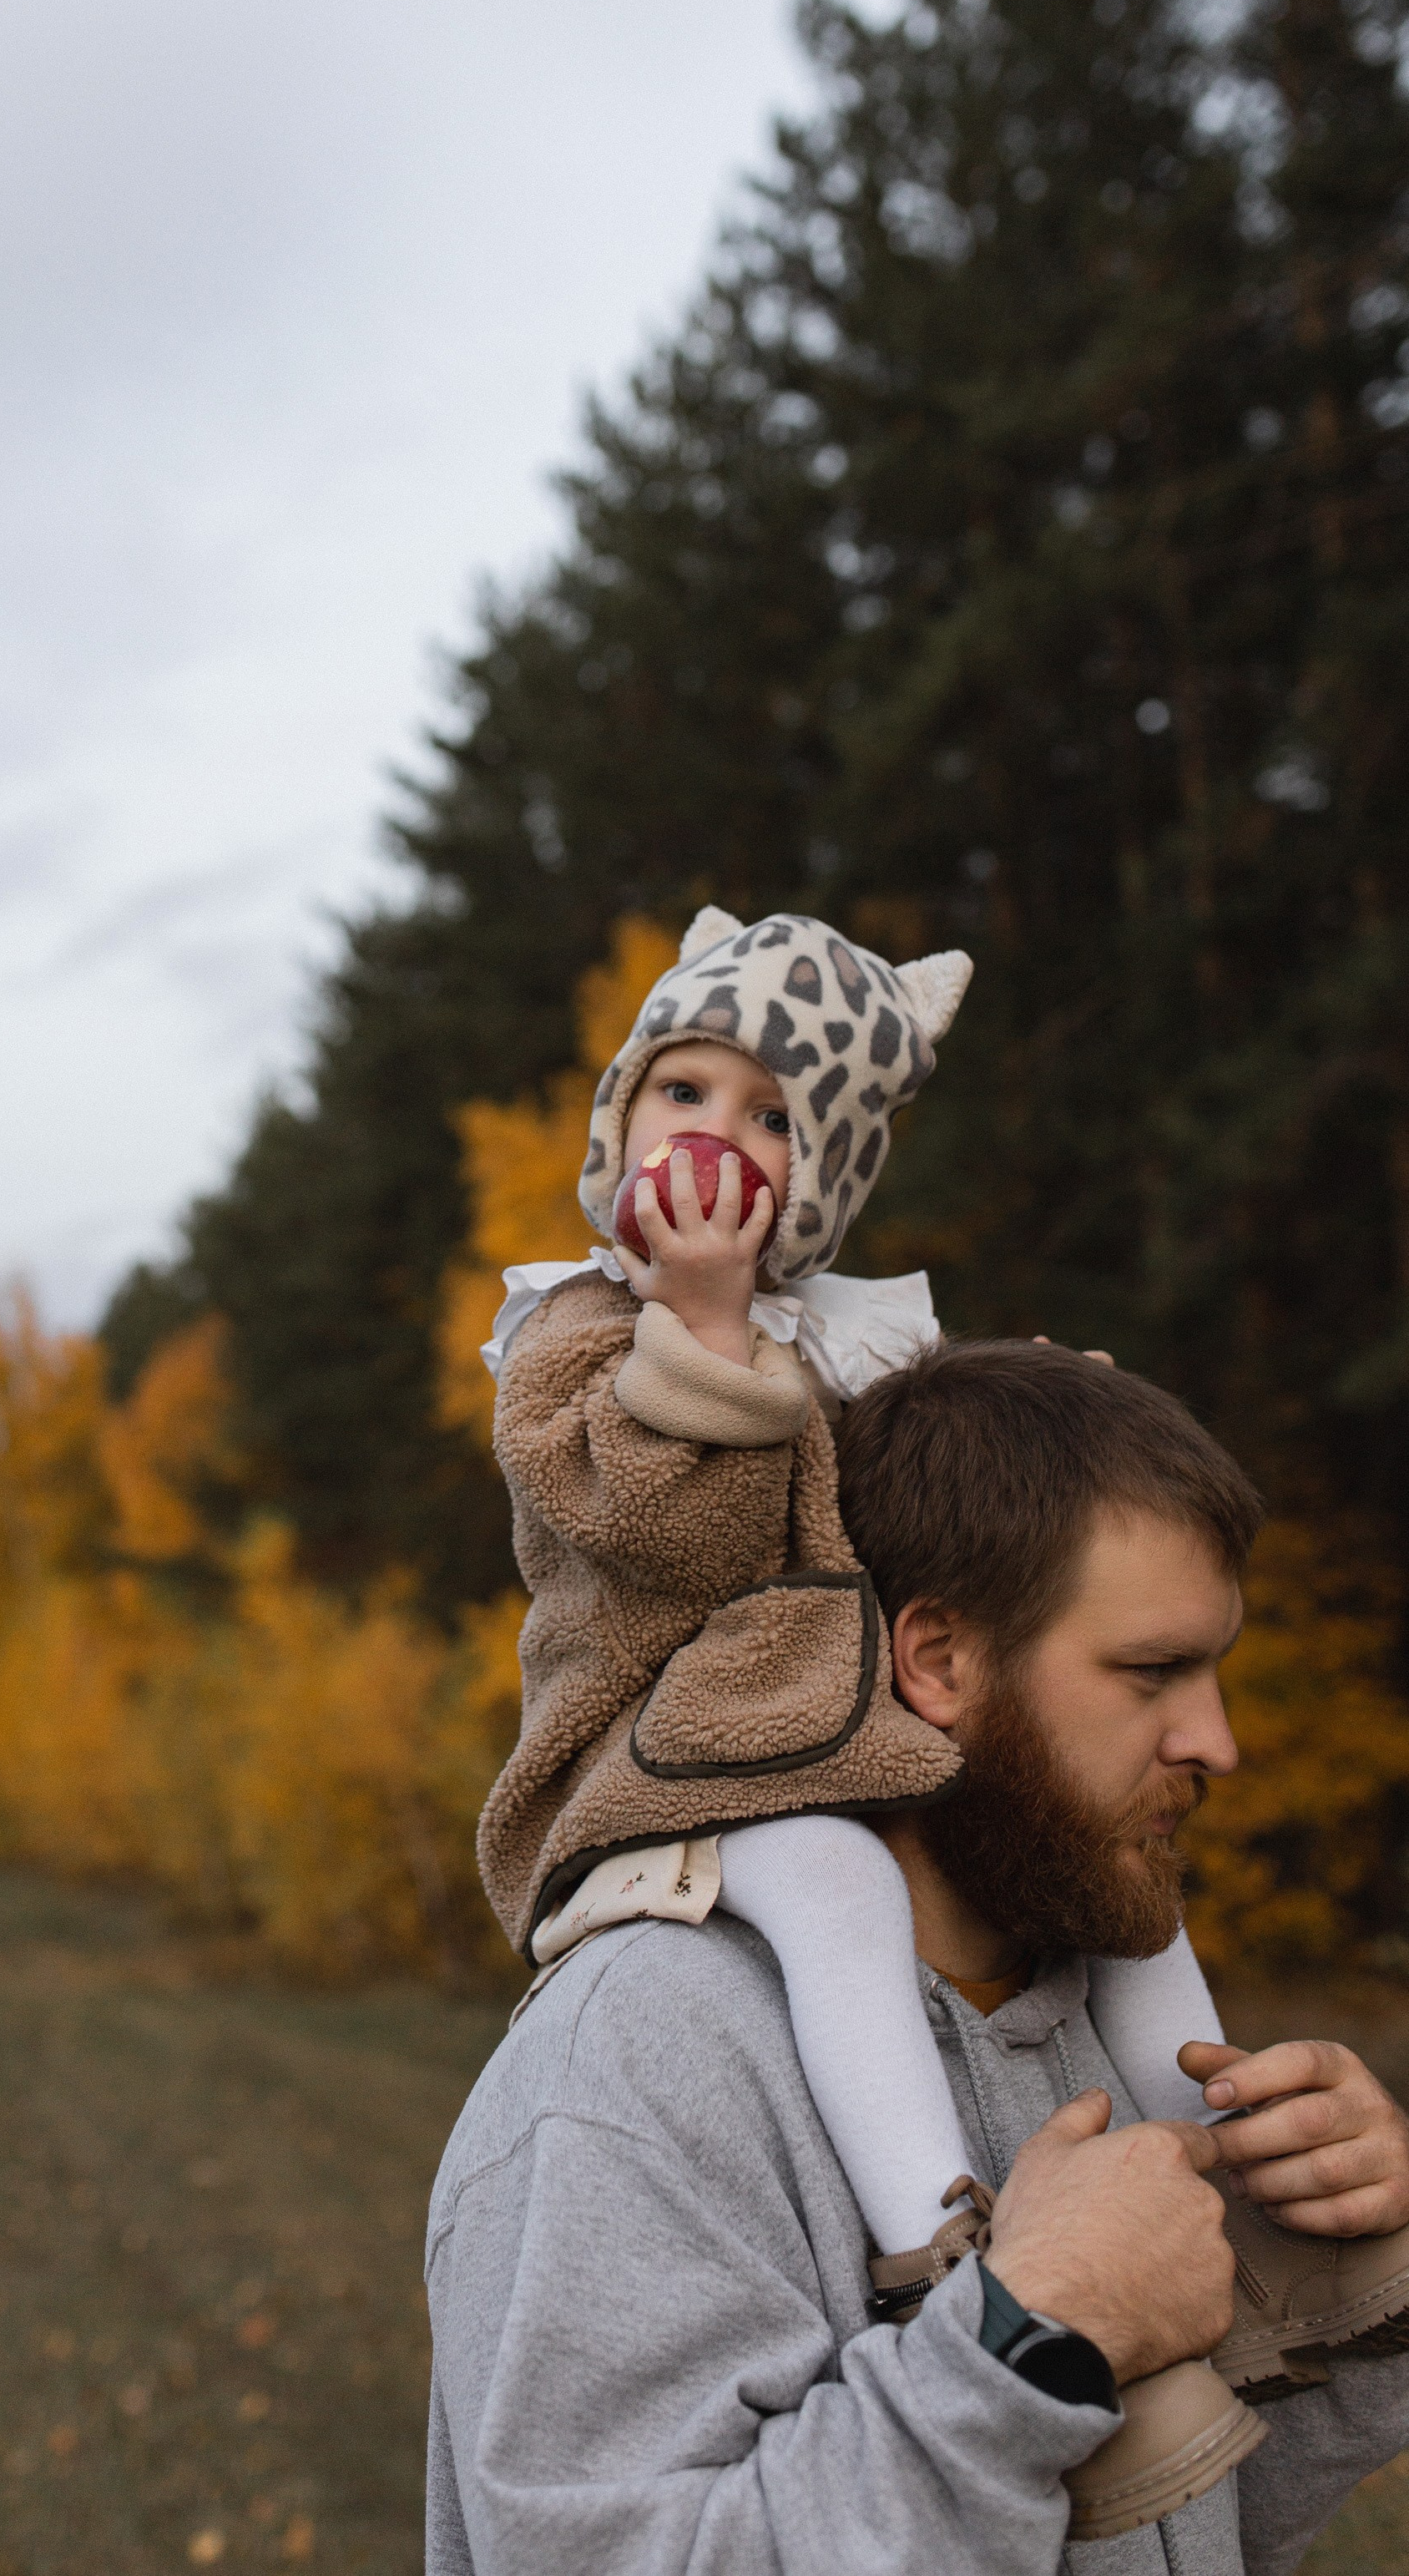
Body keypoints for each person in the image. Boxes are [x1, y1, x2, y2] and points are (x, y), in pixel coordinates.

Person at [428, 1342, 1409, 2573]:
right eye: (1150, 1672)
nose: (1215, 1741)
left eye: (1213, 1669)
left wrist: (1336, 2256)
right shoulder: (639, 2063)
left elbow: (1176, 2538)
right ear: (935, 1663)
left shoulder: (1091, 2013)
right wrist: (1020, 2346)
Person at [473, 909, 1245, 2434]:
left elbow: (959, 1484)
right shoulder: (573, 1334)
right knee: (837, 1888)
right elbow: (660, 1536)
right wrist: (698, 1331)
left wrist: (1045, 1405)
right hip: (654, 1751)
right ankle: (943, 2253)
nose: (725, 1141)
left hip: (819, 1729)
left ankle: (1201, 2170)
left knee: (1134, 1917)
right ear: (620, 1118)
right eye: (686, 1097)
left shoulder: (838, 1337)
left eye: (776, 1119)